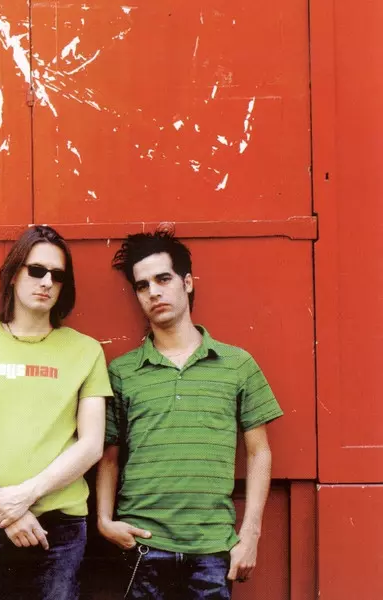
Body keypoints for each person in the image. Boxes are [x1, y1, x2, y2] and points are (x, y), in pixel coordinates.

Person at [96, 231, 283, 599]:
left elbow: (259, 451)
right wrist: (104, 521)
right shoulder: (122, 371)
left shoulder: (237, 364)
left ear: (187, 282)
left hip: (211, 549)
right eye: (142, 285)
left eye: (163, 279)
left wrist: (250, 535)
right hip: (142, 546)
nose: (153, 292)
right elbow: (109, 456)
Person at [0, 225, 111, 600]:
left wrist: (24, 497)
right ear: (14, 273)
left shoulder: (86, 351)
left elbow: (91, 444)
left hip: (61, 527)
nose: (47, 282)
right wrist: (9, 510)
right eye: (36, 270)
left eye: (57, 275)